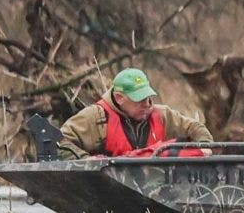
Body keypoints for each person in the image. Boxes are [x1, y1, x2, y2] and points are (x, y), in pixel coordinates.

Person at [54, 67, 213, 159]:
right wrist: (87, 162)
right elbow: (59, 142)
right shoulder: (95, 117)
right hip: (109, 189)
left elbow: (195, 128)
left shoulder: (163, 116)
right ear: (119, 98)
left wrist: (205, 146)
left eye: (148, 96)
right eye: (139, 99)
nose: (147, 104)